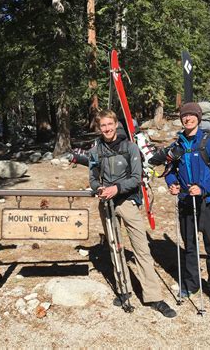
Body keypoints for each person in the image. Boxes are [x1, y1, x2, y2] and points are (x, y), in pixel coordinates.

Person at [89, 109, 177, 318]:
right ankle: (124, 290)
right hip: (106, 204)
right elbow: (92, 178)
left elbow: (136, 177)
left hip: (127, 202)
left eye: (110, 124)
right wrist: (98, 189)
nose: (107, 129)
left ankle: (153, 297)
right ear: (99, 128)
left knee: (141, 248)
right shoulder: (95, 151)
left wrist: (116, 189)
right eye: (103, 126)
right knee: (115, 247)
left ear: (116, 124)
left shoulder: (130, 147)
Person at [165, 102, 210, 305]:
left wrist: (203, 188)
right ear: (181, 119)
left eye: (192, 115)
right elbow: (170, 171)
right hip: (185, 201)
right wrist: (172, 184)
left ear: (199, 118)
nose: (188, 118)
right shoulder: (177, 145)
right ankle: (192, 284)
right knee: (190, 245)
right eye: (184, 116)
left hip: (207, 201)